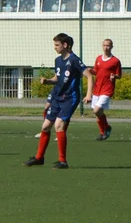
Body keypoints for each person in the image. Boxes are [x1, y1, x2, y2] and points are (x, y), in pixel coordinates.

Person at [26, 33, 94, 169]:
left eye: (57, 45)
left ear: (65, 45)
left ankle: (63, 161)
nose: (54, 47)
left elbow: (89, 76)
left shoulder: (74, 60)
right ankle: (39, 158)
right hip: (58, 97)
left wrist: (89, 94)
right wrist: (48, 81)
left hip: (70, 98)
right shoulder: (58, 60)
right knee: (45, 127)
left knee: (59, 125)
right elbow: (58, 78)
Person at [91, 38, 122, 141]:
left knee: (96, 110)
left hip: (107, 89)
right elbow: (96, 71)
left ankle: (107, 127)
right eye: (104, 45)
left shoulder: (115, 61)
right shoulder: (98, 58)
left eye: (108, 45)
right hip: (97, 88)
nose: (106, 47)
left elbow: (119, 75)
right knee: (97, 114)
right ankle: (103, 132)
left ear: (111, 47)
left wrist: (115, 77)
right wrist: (89, 71)